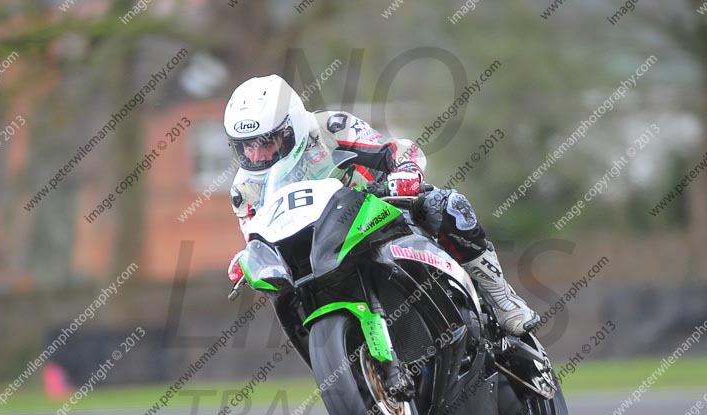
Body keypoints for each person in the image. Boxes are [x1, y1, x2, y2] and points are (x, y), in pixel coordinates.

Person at [224, 74, 538, 395]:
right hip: (318, 250)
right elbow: (256, 237)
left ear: (293, 127)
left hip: (381, 212)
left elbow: (397, 150)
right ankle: (353, 369)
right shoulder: (244, 189)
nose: (257, 156)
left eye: (267, 142)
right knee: (282, 292)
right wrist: (249, 259)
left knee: (445, 204)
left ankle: (501, 297)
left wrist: (406, 172)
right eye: (246, 147)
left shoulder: (331, 127)